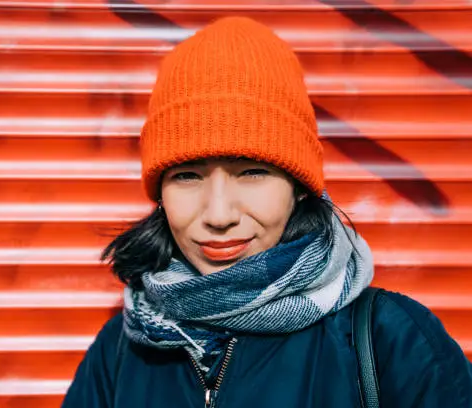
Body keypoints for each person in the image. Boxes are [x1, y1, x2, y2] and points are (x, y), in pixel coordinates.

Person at [61, 16, 472, 408]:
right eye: (187, 176)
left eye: (252, 172)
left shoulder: (391, 339)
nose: (218, 214)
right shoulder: (120, 349)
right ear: (160, 194)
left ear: (298, 189)